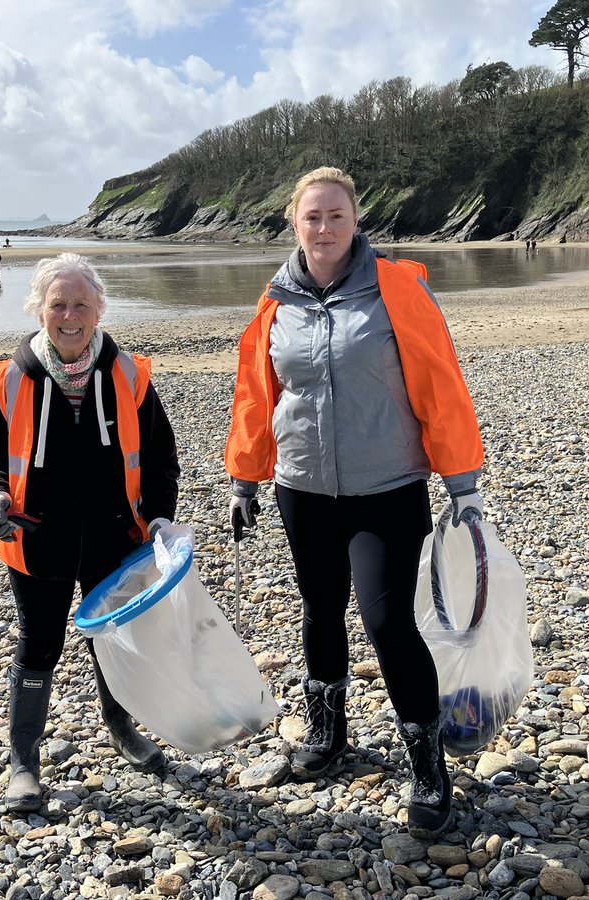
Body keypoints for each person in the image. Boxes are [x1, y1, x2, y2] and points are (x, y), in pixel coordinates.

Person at [224, 166, 485, 838]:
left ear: (356, 220)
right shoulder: (274, 303)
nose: (324, 228)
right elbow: (258, 397)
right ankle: (327, 734)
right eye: (313, 216)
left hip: (387, 488)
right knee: (318, 610)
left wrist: (462, 485)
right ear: (294, 221)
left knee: (387, 620)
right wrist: (244, 480)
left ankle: (427, 766)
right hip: (302, 487)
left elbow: (442, 385)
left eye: (336, 215)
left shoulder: (397, 290)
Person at [0, 252, 180, 812]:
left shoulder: (130, 375)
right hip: (36, 539)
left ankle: (123, 730)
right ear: (39, 310)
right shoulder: (12, 378)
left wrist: (159, 515)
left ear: (99, 309)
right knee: (39, 644)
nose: (69, 315)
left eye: (80, 304)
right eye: (57, 304)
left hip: (116, 536)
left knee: (112, 640)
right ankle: (23, 761)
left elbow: (162, 458)